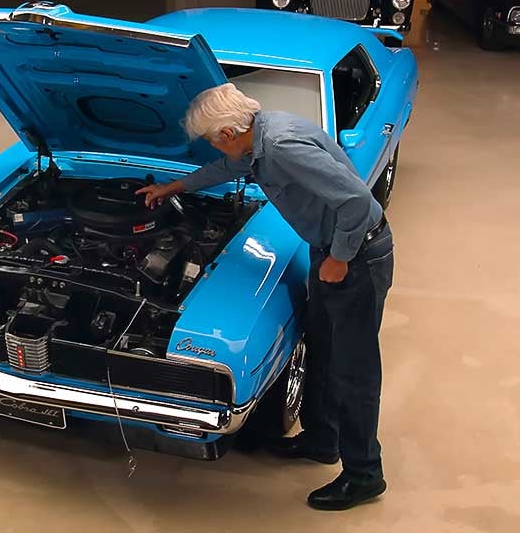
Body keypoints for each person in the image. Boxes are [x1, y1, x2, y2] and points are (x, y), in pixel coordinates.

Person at [136, 83, 394, 511]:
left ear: (227, 132)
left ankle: (365, 474)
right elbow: (225, 169)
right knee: (323, 349)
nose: (214, 146)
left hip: (357, 256)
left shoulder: (281, 147)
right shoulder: (258, 137)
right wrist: (177, 187)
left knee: (354, 371)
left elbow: (357, 203)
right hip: (328, 248)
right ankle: (321, 440)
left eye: (212, 139)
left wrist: (341, 260)